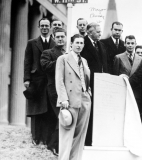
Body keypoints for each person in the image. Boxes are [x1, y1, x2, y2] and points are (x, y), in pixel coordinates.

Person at [56, 34, 92, 160]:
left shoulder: (84, 61)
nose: (79, 45)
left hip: (84, 99)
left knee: (80, 134)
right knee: (67, 133)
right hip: (69, 100)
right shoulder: (63, 59)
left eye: (81, 43)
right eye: (77, 43)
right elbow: (59, 80)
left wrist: (88, 92)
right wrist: (63, 98)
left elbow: (86, 79)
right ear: (71, 44)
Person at [24, 18, 56, 145]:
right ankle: (36, 137)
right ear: (39, 27)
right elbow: (27, 61)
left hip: (49, 81)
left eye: (47, 26)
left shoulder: (55, 43)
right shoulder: (32, 43)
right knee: (37, 109)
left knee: (48, 109)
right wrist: (27, 79)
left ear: (50, 27)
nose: (44, 28)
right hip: (36, 80)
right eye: (42, 26)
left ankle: (46, 138)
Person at [80, 22, 108, 146]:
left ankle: (94, 139)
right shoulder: (83, 44)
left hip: (100, 84)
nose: (100, 33)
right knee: (88, 112)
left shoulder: (101, 45)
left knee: (98, 112)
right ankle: (86, 140)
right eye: (98, 31)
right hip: (88, 84)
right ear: (90, 32)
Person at [40, 28, 67, 156]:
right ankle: (53, 144)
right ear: (54, 38)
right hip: (54, 89)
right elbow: (45, 67)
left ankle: (57, 144)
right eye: (58, 37)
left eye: (62, 36)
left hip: (68, 89)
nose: (60, 39)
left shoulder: (69, 52)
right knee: (61, 116)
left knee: (65, 116)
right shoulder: (48, 52)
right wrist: (62, 59)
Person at [113, 35, 142, 115]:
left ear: (135, 44)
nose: (130, 45)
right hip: (123, 91)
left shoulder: (140, 59)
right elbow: (115, 76)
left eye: (132, 43)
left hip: (136, 93)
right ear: (125, 44)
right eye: (128, 43)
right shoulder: (118, 57)